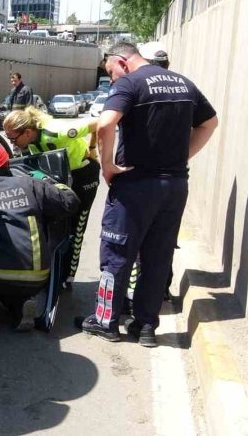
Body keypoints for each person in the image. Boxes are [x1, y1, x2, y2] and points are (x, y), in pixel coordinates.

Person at [78, 42, 218, 347]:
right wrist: (182, 156)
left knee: (116, 254)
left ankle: (106, 321)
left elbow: (106, 124)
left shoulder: (130, 83)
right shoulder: (184, 83)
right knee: (157, 257)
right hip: (174, 185)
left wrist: (107, 165)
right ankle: (145, 327)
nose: (111, 79)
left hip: (135, 186)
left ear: (122, 61)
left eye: (110, 72)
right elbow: (210, 123)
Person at [0, 143, 80, 330]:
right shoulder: (30, 184)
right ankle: (20, 305)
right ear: (7, 163)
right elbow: (71, 202)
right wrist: (48, 181)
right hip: (37, 276)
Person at [3, 107, 101, 288]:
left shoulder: (58, 132)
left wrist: (93, 147)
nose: (12, 143)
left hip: (83, 175)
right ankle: (53, 271)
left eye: (13, 139)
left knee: (76, 228)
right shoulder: (29, 141)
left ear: (28, 132)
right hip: (60, 175)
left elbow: (100, 122)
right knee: (52, 225)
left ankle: (68, 276)